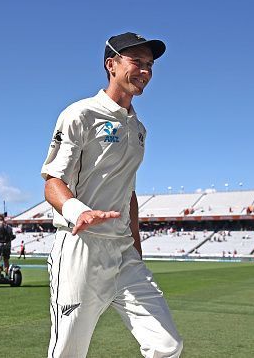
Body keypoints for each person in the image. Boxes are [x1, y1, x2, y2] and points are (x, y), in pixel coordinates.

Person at [41, 32, 183, 357]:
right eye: (138, 62)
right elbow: (52, 183)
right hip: (81, 248)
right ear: (112, 65)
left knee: (167, 345)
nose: (145, 70)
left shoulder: (138, 129)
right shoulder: (81, 114)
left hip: (123, 254)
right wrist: (79, 211)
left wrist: (136, 246)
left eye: (149, 65)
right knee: (68, 351)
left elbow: (128, 191)